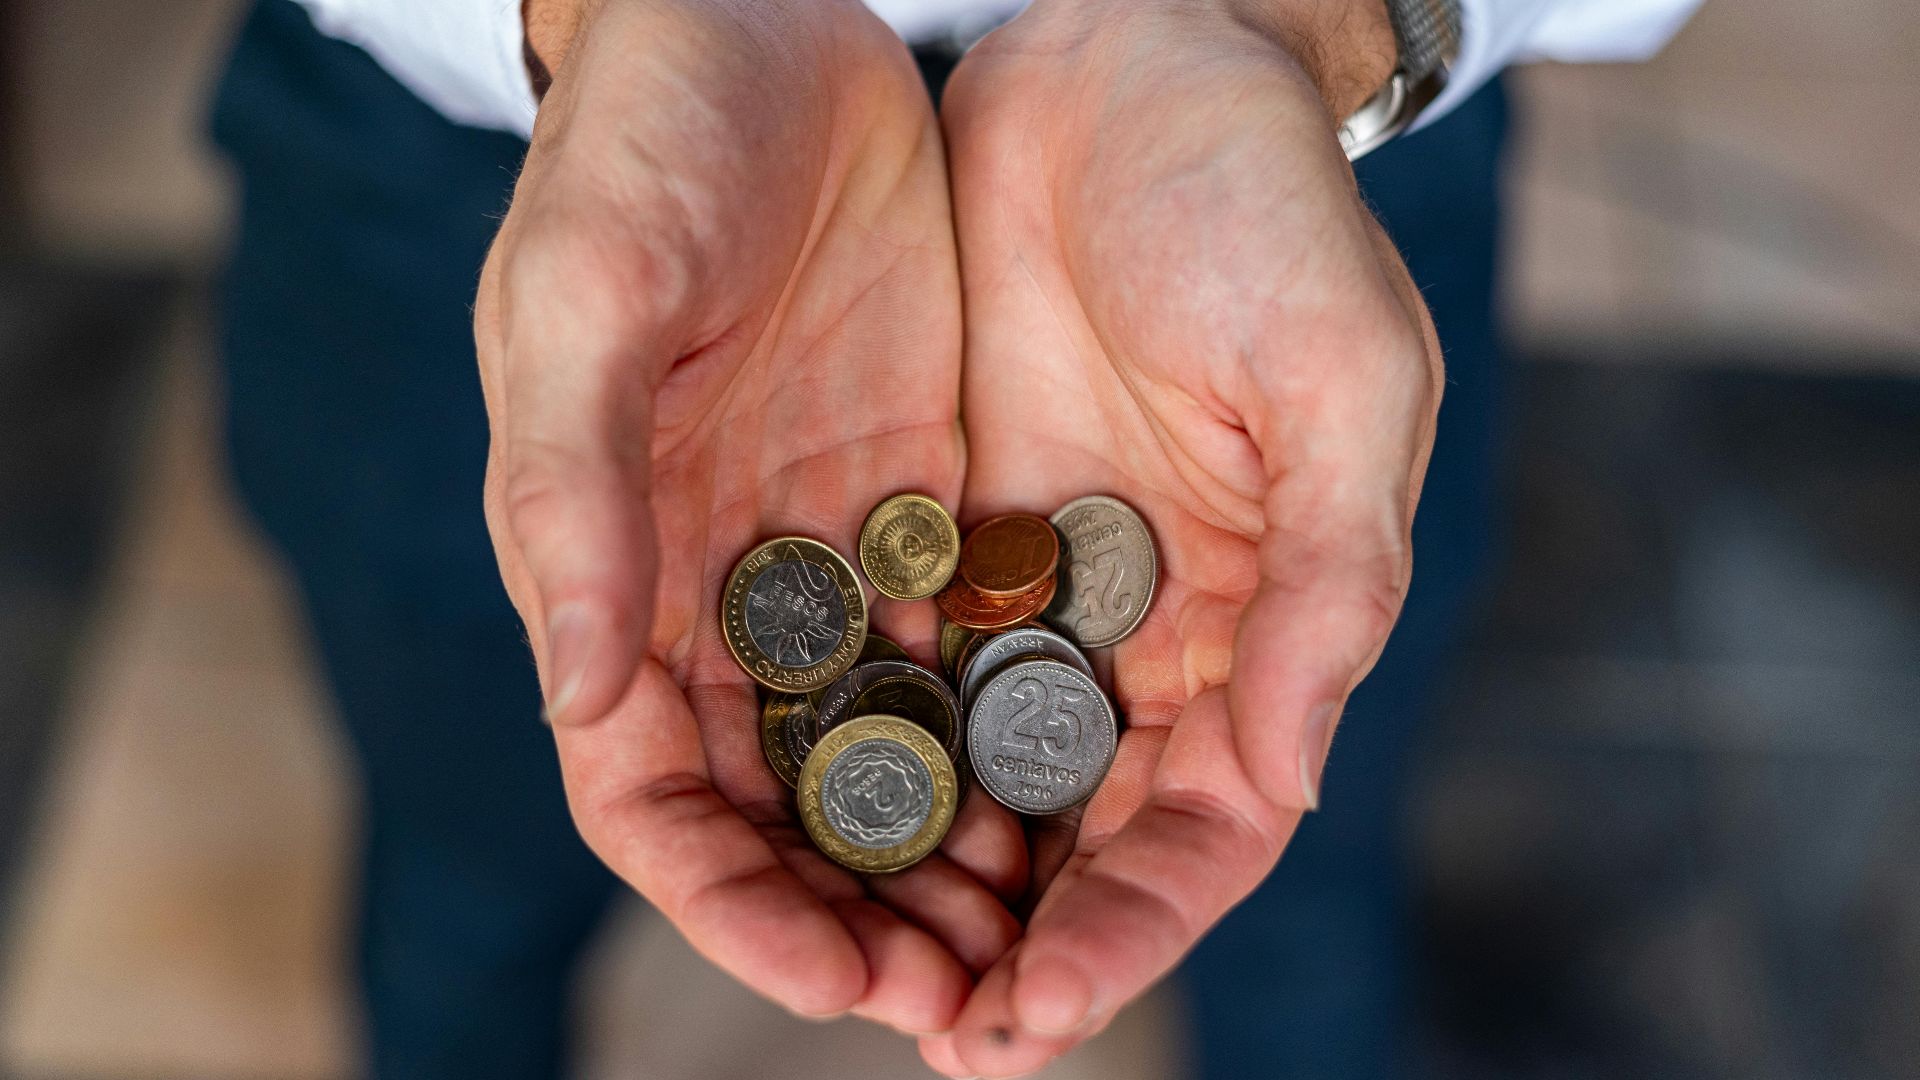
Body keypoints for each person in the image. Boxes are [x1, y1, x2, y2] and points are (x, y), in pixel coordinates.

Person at [213, 1, 1700, 1076]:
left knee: (1291, 861)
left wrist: (1297, 26)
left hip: (1297, 141)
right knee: (467, 874)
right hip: (488, 150)